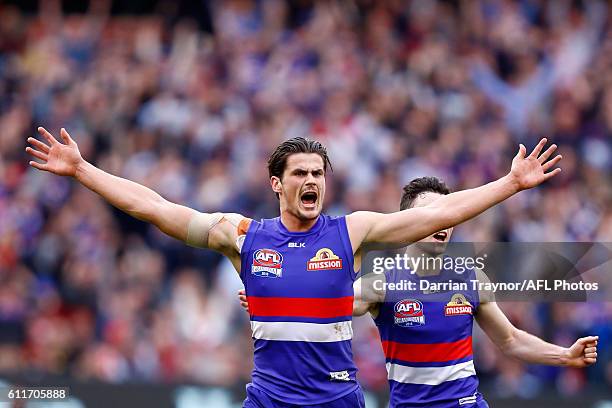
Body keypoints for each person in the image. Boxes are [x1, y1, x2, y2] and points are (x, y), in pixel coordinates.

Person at [27, 128, 562, 407]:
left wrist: (510, 184)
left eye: (319, 173)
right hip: (270, 400)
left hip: (337, 399)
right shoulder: (243, 237)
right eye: (301, 173)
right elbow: (159, 209)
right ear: (277, 184)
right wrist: (82, 170)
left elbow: (440, 212)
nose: (313, 181)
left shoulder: (351, 232)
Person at [239, 176, 598, 408]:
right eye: (431, 217)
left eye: (447, 217)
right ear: (410, 224)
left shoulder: (471, 277)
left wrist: (564, 356)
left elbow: (511, 340)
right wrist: (271, 299)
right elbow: (324, 309)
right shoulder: (380, 284)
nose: (441, 224)